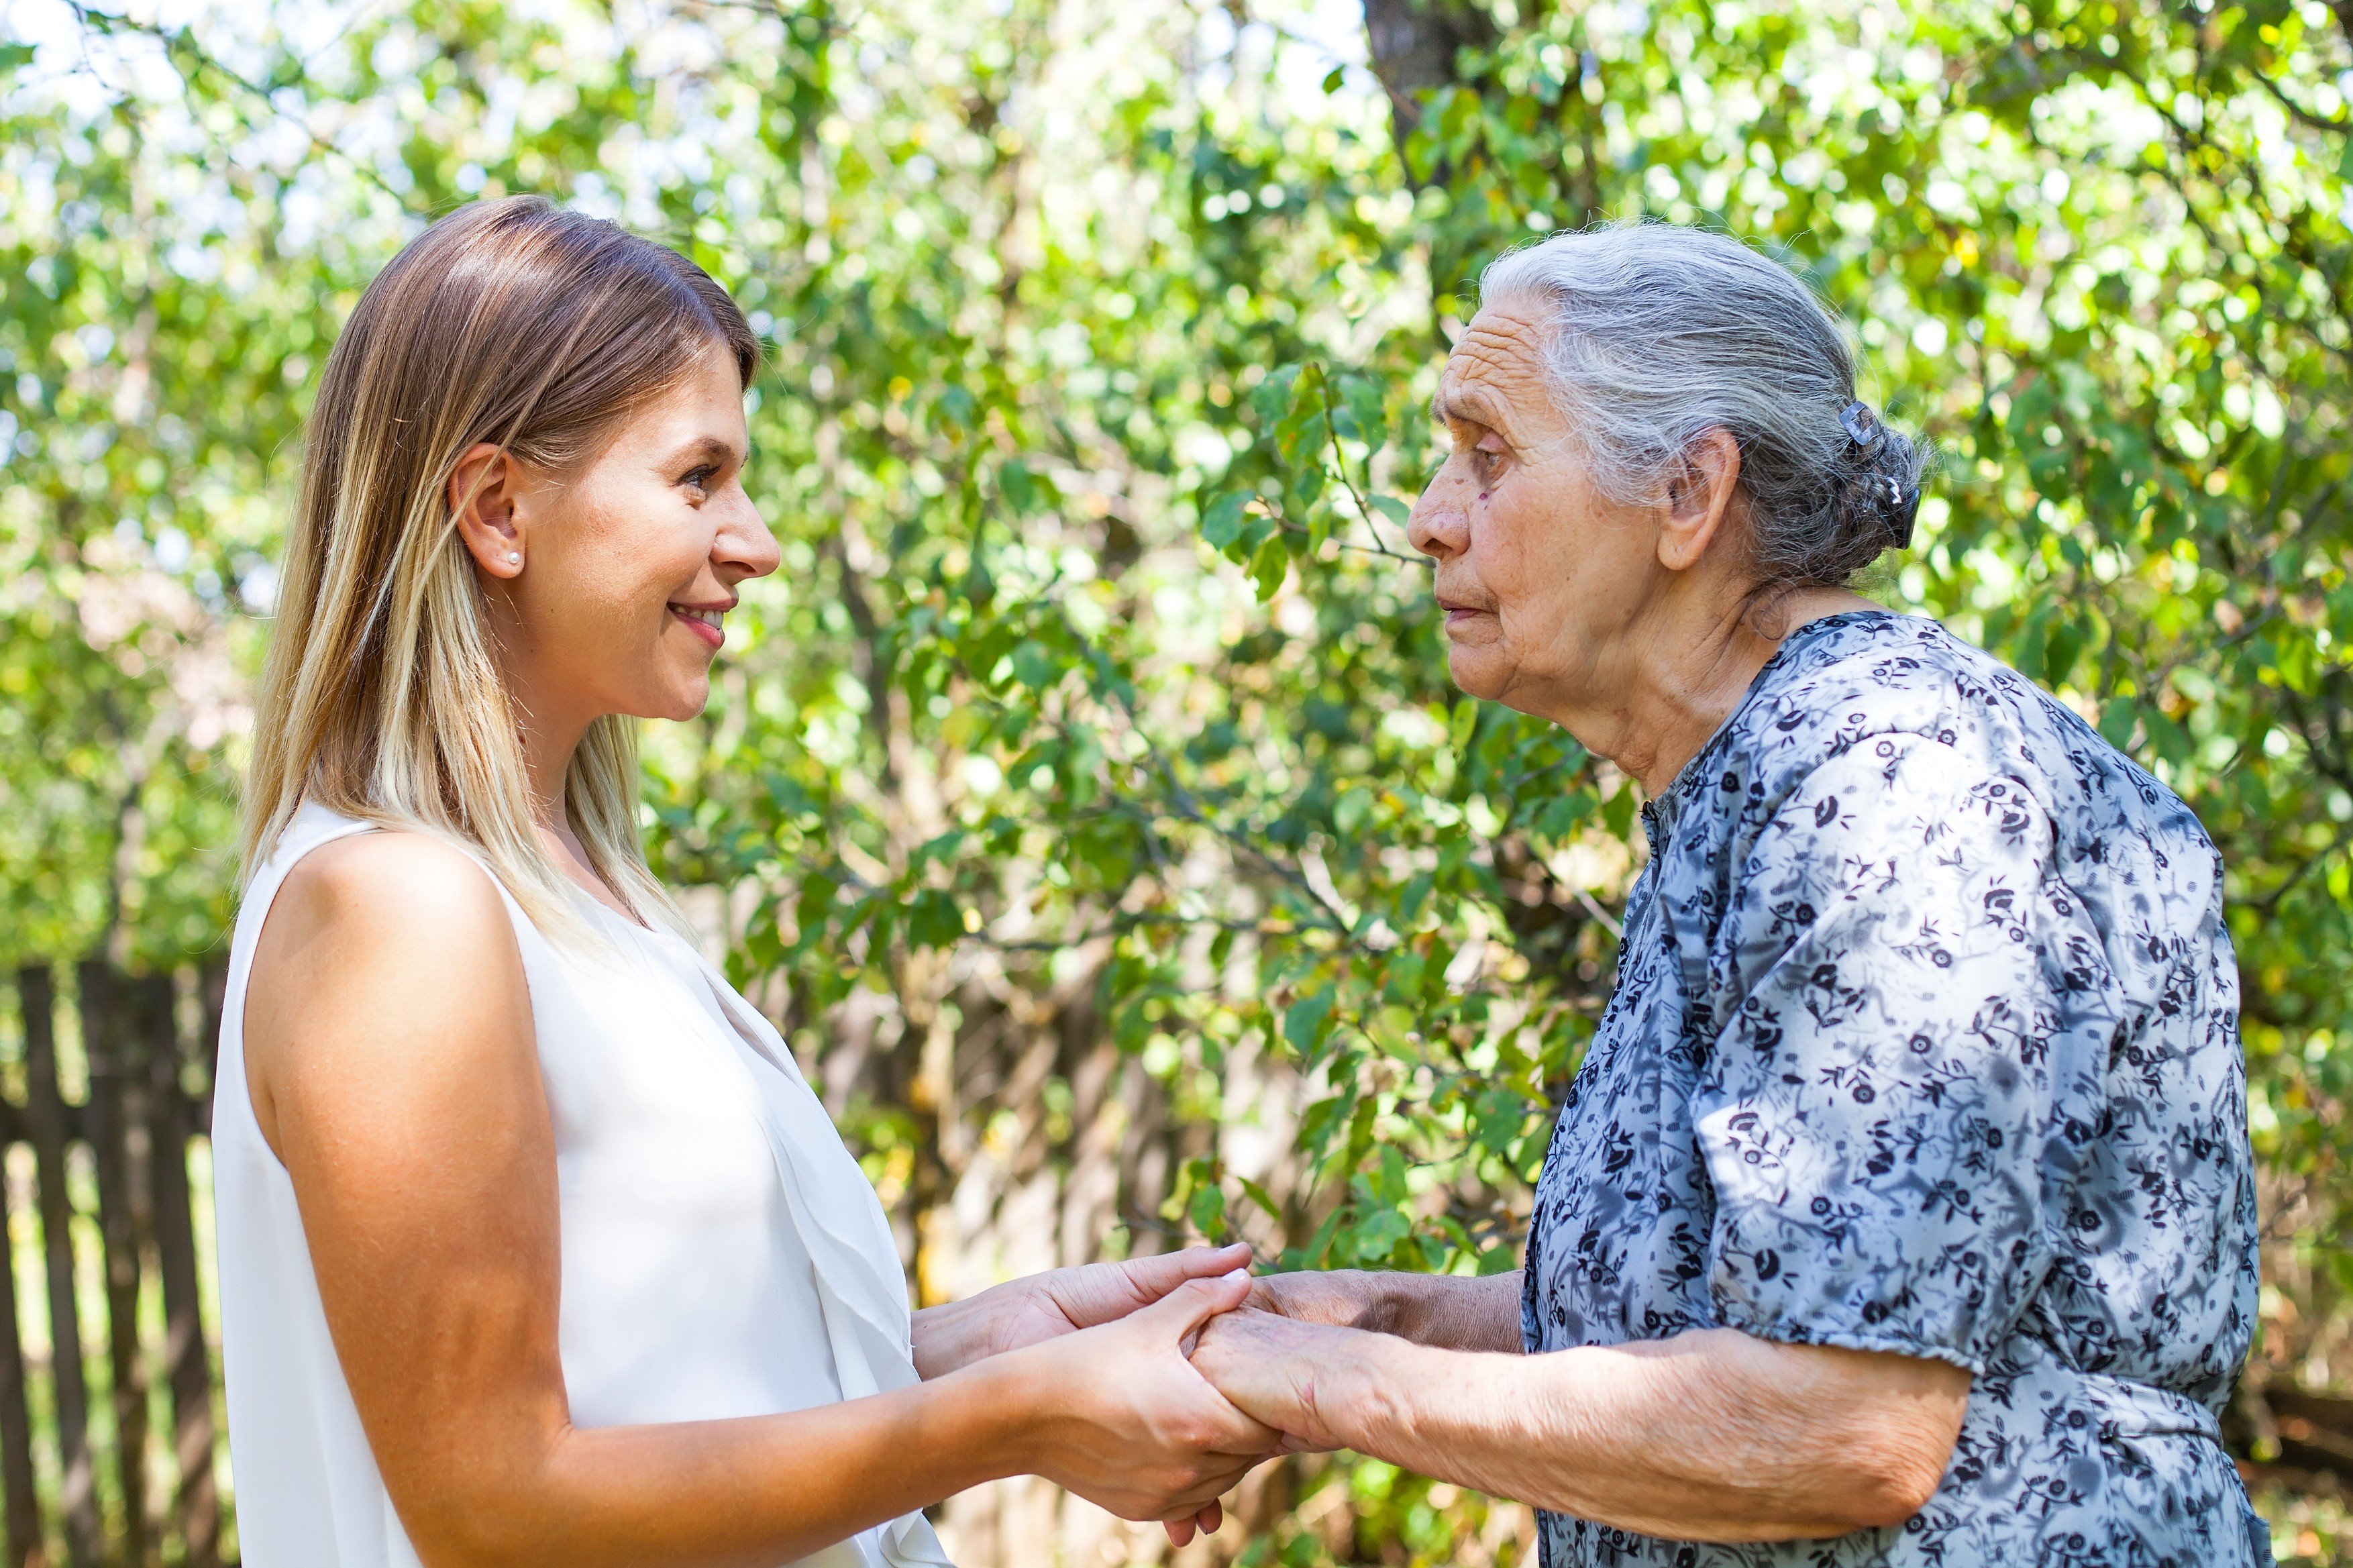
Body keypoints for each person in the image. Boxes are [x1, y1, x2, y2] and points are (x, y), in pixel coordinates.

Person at [218, 195, 1273, 1568]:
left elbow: (666, 1388)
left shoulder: (579, 896)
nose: (756, 541)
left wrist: (961, 1353)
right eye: (698, 478)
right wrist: (1010, 1416)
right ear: (495, 508)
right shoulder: (391, 911)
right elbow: (492, 1501)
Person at [1191, 223, 2264, 1567]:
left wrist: (1313, 1380)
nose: (1425, 515)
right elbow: (1731, 1319)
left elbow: (1839, 1417)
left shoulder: (1888, 780)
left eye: (1485, 454)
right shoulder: (1749, 780)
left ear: (1688, 492)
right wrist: (1383, 1321)